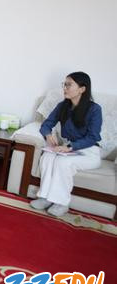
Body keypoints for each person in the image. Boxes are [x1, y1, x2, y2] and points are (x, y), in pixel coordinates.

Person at [30, 72, 102, 217]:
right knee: (47, 157)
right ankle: (45, 198)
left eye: (69, 85)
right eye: (64, 84)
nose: (65, 88)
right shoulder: (63, 106)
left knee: (62, 163)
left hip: (89, 151)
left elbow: (93, 137)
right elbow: (46, 124)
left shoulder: (94, 109)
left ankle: (61, 203)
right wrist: (48, 135)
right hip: (69, 149)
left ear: (82, 89)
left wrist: (69, 147)